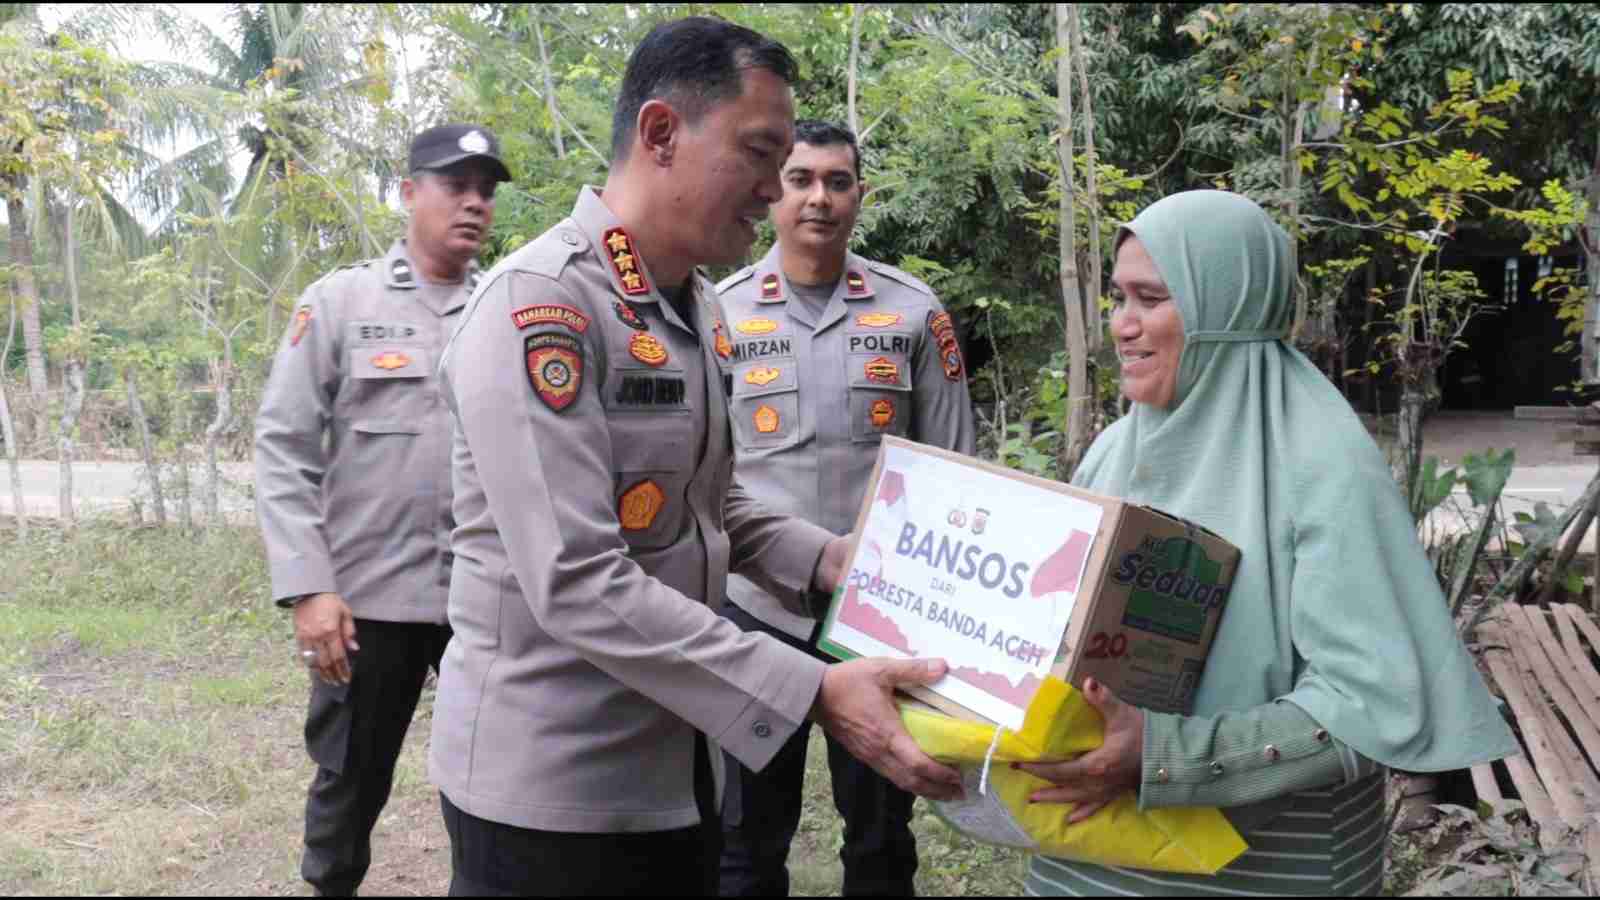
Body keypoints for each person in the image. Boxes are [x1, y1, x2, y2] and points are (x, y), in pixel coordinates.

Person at [427, 18, 962, 898]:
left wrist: (830, 561)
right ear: (661, 133)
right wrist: (814, 692)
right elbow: (577, 579)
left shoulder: (695, 306)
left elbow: (707, 502)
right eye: (759, 154)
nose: (773, 190)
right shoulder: (541, 307)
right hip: (556, 798)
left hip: (682, 769)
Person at [1017, 190, 1518, 897]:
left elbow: (1371, 706)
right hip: (1089, 855)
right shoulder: (1113, 450)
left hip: (1262, 869)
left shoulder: (1325, 464)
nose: (1121, 326)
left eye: (1150, 299)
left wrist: (1168, 757)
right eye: (1118, 298)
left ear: (1227, 305)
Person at [712, 119, 976, 897]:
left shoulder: (914, 312)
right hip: (754, 610)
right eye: (800, 180)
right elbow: (700, 475)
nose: (818, 199)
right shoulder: (718, 312)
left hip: (879, 618)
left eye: (837, 181)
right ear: (772, 191)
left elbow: (957, 473)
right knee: (744, 840)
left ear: (862, 194)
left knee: (882, 835)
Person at [253, 124, 511, 895]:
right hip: (366, 606)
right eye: (455, 186)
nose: (474, 203)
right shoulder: (341, 303)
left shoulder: (507, 308)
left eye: (485, 191)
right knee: (349, 784)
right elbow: (284, 447)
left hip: (484, 602)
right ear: (408, 193)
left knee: (496, 790)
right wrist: (308, 588)